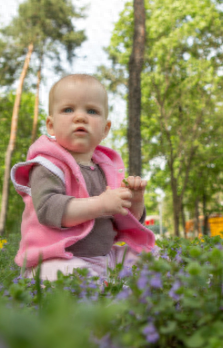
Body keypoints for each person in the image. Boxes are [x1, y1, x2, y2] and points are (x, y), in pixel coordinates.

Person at [10, 74, 156, 281]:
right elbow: (48, 209)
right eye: (68, 109)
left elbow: (123, 218)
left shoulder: (107, 169)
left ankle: (114, 285)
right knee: (70, 278)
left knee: (154, 261)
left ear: (105, 129)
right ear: (50, 125)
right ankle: (101, 293)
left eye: (92, 111)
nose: (80, 117)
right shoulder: (47, 165)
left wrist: (135, 200)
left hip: (105, 257)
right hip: (56, 259)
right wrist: (101, 204)